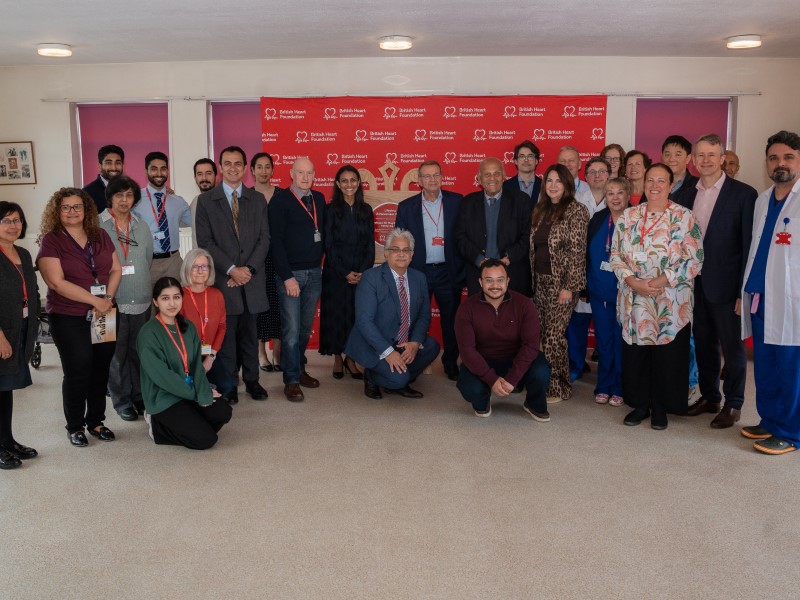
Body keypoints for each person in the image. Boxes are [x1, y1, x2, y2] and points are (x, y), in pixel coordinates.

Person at [609, 163, 702, 430]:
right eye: (650, 180)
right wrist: (633, 281)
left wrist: (661, 280)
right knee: (637, 356)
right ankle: (640, 405)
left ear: (671, 185)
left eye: (661, 181)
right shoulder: (628, 216)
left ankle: (661, 408)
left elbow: (695, 259)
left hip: (670, 302)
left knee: (667, 357)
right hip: (634, 301)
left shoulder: (685, 217)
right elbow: (615, 255)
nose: (655, 186)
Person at [680, 134, 756, 428]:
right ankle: (710, 397)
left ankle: (733, 403)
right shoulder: (686, 195)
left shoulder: (743, 194)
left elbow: (748, 244)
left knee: (732, 348)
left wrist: (742, 290)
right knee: (703, 344)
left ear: (722, 158)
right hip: (693, 285)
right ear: (694, 159)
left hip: (727, 287)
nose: (706, 160)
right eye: (701, 155)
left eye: (712, 155)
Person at [37, 188, 122, 446]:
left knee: (100, 367)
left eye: (78, 206)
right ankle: (74, 426)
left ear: (87, 210)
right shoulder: (51, 240)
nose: (72, 212)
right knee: (78, 369)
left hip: (104, 313)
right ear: (57, 211)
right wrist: (95, 300)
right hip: (68, 315)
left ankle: (96, 421)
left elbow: (116, 269)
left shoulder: (101, 235)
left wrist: (106, 299)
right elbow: (56, 282)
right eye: (66, 207)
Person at [740, 130, 800, 455]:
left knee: (790, 367)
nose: (780, 163)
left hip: (792, 302)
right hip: (760, 296)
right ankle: (770, 420)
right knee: (764, 366)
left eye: (788, 157)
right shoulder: (763, 199)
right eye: (774, 158)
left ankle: (791, 432)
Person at [196, 145, 270, 404]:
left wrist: (247, 270)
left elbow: (264, 239)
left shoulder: (257, 199)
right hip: (223, 280)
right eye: (227, 163)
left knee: (251, 336)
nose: (232, 168)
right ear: (220, 168)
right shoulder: (206, 201)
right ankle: (228, 385)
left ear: (245, 168)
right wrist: (232, 269)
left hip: (251, 280)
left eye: (238, 163)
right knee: (224, 338)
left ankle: (252, 381)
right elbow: (205, 241)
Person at [137, 277, 232, 449]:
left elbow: (196, 365)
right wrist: (197, 394)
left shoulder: (188, 327)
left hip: (189, 390)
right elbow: (163, 377)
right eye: (165, 298)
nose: (172, 303)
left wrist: (204, 391)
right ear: (155, 302)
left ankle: (190, 422)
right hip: (164, 396)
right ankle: (157, 427)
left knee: (223, 412)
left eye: (176, 297)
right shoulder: (148, 333)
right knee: (206, 440)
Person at [345, 228, 440, 399]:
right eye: (395, 249)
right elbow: (364, 322)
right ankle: (372, 377)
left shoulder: (419, 278)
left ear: (412, 255)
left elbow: (424, 315)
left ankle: (398, 376)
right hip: (375, 344)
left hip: (402, 340)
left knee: (432, 346)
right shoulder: (371, 278)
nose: (401, 254)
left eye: (406, 250)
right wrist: (388, 352)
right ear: (387, 253)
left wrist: (415, 343)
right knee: (398, 380)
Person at [454, 259, 551, 420]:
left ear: (507, 281)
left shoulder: (525, 304)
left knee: (541, 370)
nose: (495, 285)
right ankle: (483, 399)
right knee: (470, 387)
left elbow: (531, 346)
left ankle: (533, 404)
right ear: (480, 282)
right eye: (489, 280)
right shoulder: (467, 308)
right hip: (483, 360)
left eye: (500, 280)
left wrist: (512, 379)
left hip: (516, 359)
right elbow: (467, 351)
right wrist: (492, 380)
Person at [395, 159, 463, 380]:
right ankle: (412, 361)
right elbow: (401, 243)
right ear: (419, 180)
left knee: (452, 320)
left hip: (448, 271)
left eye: (436, 175)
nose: (432, 180)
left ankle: (451, 362)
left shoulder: (457, 202)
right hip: (418, 272)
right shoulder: (406, 207)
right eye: (427, 176)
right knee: (413, 319)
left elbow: (464, 237)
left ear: (442, 178)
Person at [529, 164, 589, 403]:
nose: (553, 186)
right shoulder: (541, 209)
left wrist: (569, 287)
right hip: (539, 283)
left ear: (567, 184)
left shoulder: (577, 211)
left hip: (562, 285)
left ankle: (560, 387)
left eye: (558, 181)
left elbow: (578, 252)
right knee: (541, 336)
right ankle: (544, 381)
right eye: (549, 181)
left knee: (554, 336)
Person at [269, 158, 325, 402]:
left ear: (314, 175)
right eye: (300, 172)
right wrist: (287, 277)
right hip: (291, 275)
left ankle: (300, 369)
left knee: (304, 329)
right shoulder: (280, 201)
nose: (305, 177)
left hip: (314, 273)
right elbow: (276, 242)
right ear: (291, 173)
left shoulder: (319, 199)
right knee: (291, 331)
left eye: (309, 173)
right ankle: (290, 380)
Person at [98, 175, 153, 422]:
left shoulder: (141, 224)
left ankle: (140, 396)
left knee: (138, 351)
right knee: (115, 353)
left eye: (129, 195)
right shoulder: (98, 225)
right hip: (111, 300)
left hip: (140, 296)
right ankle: (122, 401)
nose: (124, 199)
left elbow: (148, 257)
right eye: (119, 194)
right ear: (110, 196)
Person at [320, 165, 374, 379]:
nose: (349, 184)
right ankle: (337, 358)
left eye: (353, 180)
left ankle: (351, 358)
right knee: (336, 316)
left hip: (361, 275)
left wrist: (363, 272)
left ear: (359, 183)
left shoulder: (366, 210)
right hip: (336, 273)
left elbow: (370, 244)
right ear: (337, 184)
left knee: (354, 317)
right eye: (344, 180)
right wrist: (344, 272)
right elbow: (329, 245)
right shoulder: (331, 209)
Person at [0, 202, 40, 469]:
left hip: (21, 328)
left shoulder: (24, 254)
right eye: (6, 221)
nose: (14, 225)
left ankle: (8, 440)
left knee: (6, 390)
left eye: (17, 220)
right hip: (3, 332)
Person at [455, 157, 531, 296]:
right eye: (487, 174)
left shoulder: (521, 201)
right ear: (479, 178)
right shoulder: (467, 203)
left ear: (503, 176)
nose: (492, 178)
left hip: (513, 274)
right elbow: (460, 237)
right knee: (480, 316)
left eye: (496, 173)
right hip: (478, 275)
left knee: (512, 317)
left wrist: (507, 259)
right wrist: (480, 260)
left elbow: (528, 236)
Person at [586, 178, 630, 407]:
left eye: (619, 192)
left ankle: (620, 387)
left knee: (622, 342)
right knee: (604, 341)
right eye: (610, 192)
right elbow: (587, 254)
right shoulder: (597, 219)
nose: (614, 197)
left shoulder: (635, 220)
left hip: (627, 294)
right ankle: (603, 385)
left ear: (628, 195)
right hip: (599, 292)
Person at [132, 151, 192, 284]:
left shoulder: (178, 201)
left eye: (163, 169)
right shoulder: (135, 199)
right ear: (146, 171)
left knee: (177, 302)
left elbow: (199, 222)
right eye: (154, 169)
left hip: (174, 262)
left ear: (168, 172)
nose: (159, 173)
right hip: (148, 262)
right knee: (149, 303)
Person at [179, 248, 230, 398]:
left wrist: (211, 357)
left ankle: (204, 389)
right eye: (195, 266)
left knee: (226, 386)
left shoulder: (217, 295)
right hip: (186, 357)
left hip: (209, 353)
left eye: (204, 266)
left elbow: (222, 327)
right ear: (187, 269)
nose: (200, 271)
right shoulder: (179, 295)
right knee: (191, 386)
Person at [250, 152, 283, 373]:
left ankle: (278, 353)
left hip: (280, 257)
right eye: (259, 167)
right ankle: (261, 353)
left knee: (281, 305)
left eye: (267, 167)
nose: (263, 171)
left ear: (273, 170)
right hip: (255, 259)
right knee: (259, 305)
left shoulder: (282, 195)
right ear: (251, 170)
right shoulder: (246, 196)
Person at [82, 144, 124, 213]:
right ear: (100, 166)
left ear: (123, 165)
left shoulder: (129, 190)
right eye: (108, 163)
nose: (114, 167)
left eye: (118, 163)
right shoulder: (87, 193)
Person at [503, 140, 542, 210]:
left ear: (536, 161)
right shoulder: (505, 187)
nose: (526, 160)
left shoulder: (545, 186)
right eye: (522, 156)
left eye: (530, 156)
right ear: (515, 161)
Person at [661, 135, 698, 204]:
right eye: (667, 154)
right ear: (662, 157)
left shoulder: (698, 186)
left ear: (688, 158)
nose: (671, 159)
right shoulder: (654, 185)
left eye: (677, 155)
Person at [190, 158, 218, 247]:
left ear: (216, 176)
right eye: (199, 174)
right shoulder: (195, 202)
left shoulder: (226, 201)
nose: (204, 178)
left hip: (222, 259)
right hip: (200, 258)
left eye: (208, 173)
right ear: (195, 178)